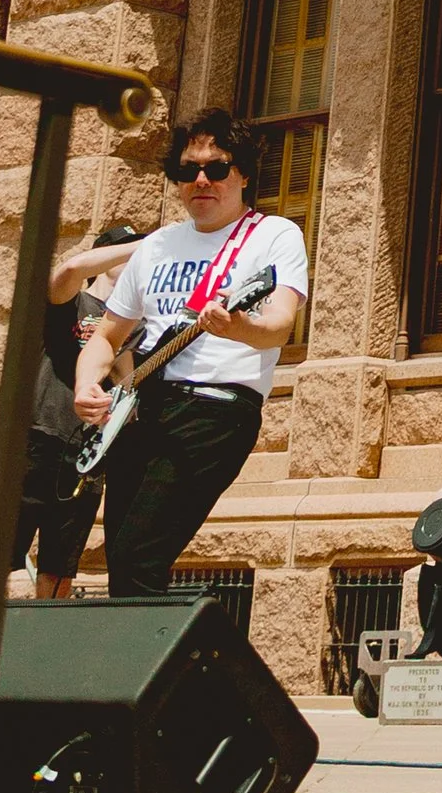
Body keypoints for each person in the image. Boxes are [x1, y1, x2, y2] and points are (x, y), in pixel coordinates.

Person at [74, 114, 307, 601]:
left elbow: (280, 326)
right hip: (143, 408)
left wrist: (239, 326)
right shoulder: (157, 245)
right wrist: (86, 386)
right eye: (188, 170)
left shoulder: (274, 235)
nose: (201, 180)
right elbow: (105, 337)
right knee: (121, 559)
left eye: (217, 169)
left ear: (242, 174)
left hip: (216, 410)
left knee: (141, 553)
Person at [12, 221, 139, 599]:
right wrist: (147, 246)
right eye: (126, 249)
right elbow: (69, 270)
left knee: (61, 563)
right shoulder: (72, 300)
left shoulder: (128, 321)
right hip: (38, 437)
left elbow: (128, 385)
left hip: (85, 454)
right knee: (6, 551)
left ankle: (41, 644)